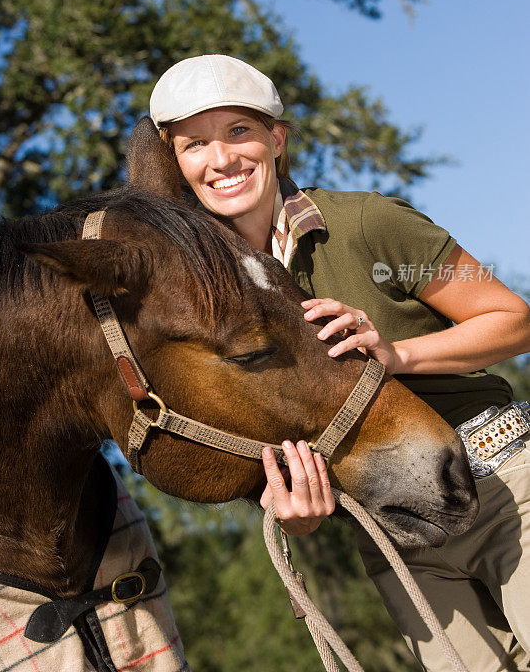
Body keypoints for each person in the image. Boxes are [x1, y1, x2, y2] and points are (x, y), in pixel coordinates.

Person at [148, 53, 530, 671]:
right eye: (195, 145)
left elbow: (512, 319)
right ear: (177, 164)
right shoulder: (206, 301)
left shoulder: (366, 224)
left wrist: (396, 353)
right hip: (395, 532)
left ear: (277, 137)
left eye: (238, 131)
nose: (220, 160)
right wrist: (294, 513)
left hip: (509, 486)